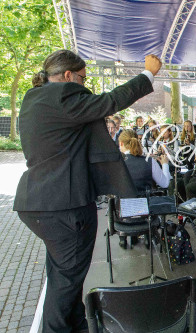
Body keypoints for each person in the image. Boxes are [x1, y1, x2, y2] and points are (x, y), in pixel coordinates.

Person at [14, 50, 161, 333]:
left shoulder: (34, 98)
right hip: (64, 206)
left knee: (62, 276)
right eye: (82, 78)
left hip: (40, 201)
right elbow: (109, 101)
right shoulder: (63, 96)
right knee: (66, 283)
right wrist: (148, 74)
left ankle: (78, 326)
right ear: (67, 76)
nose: (84, 85)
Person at [118, 129, 170, 248]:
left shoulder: (117, 164)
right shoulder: (149, 161)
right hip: (146, 217)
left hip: (123, 218)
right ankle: (148, 235)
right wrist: (165, 164)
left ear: (121, 143)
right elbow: (165, 184)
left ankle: (123, 237)